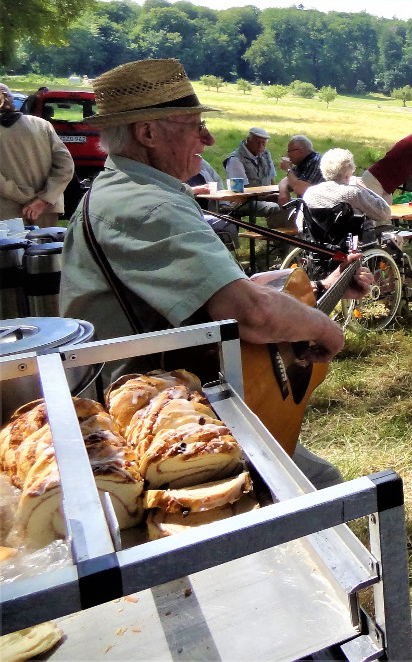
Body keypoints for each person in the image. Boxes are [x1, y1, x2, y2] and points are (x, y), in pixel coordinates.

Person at [59, 58, 372, 489]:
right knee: (322, 486)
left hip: (167, 397)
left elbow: (215, 291)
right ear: (147, 132)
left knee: (318, 479)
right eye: (194, 124)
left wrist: (321, 288)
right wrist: (325, 328)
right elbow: (250, 313)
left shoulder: (131, 191)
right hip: (157, 417)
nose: (206, 138)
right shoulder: (151, 206)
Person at [0, 83, 74, 225]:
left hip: (6, 213)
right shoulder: (42, 124)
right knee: (47, 246)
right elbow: (66, 166)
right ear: (12, 100)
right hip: (45, 210)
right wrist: (43, 199)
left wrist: (26, 198)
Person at [301, 148, 392, 226]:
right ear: (348, 174)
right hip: (353, 243)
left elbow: (300, 223)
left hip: (317, 242)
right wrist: (364, 189)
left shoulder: (310, 192)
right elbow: (385, 213)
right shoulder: (353, 193)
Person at [224, 126, 289, 228]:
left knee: (292, 203)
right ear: (248, 140)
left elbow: (271, 179)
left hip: (265, 197)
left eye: (263, 143)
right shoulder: (235, 160)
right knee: (276, 207)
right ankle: (278, 240)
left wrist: (277, 194)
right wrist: (267, 197)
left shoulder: (266, 154)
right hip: (242, 202)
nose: (260, 146)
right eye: (257, 142)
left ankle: (289, 239)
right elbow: (238, 193)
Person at [187, 155, 240, 250]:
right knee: (227, 223)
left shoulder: (199, 159)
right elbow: (172, 188)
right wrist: (194, 190)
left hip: (209, 207)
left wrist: (223, 203)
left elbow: (217, 180)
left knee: (229, 221)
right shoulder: (170, 164)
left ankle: (229, 256)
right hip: (188, 211)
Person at [277, 135, 323, 206]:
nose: (287, 155)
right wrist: (283, 192)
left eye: (289, 151)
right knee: (275, 202)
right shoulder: (304, 162)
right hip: (307, 206)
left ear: (300, 151)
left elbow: (299, 189)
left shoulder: (316, 162)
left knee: (276, 213)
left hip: (319, 209)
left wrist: (288, 169)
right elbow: (285, 181)